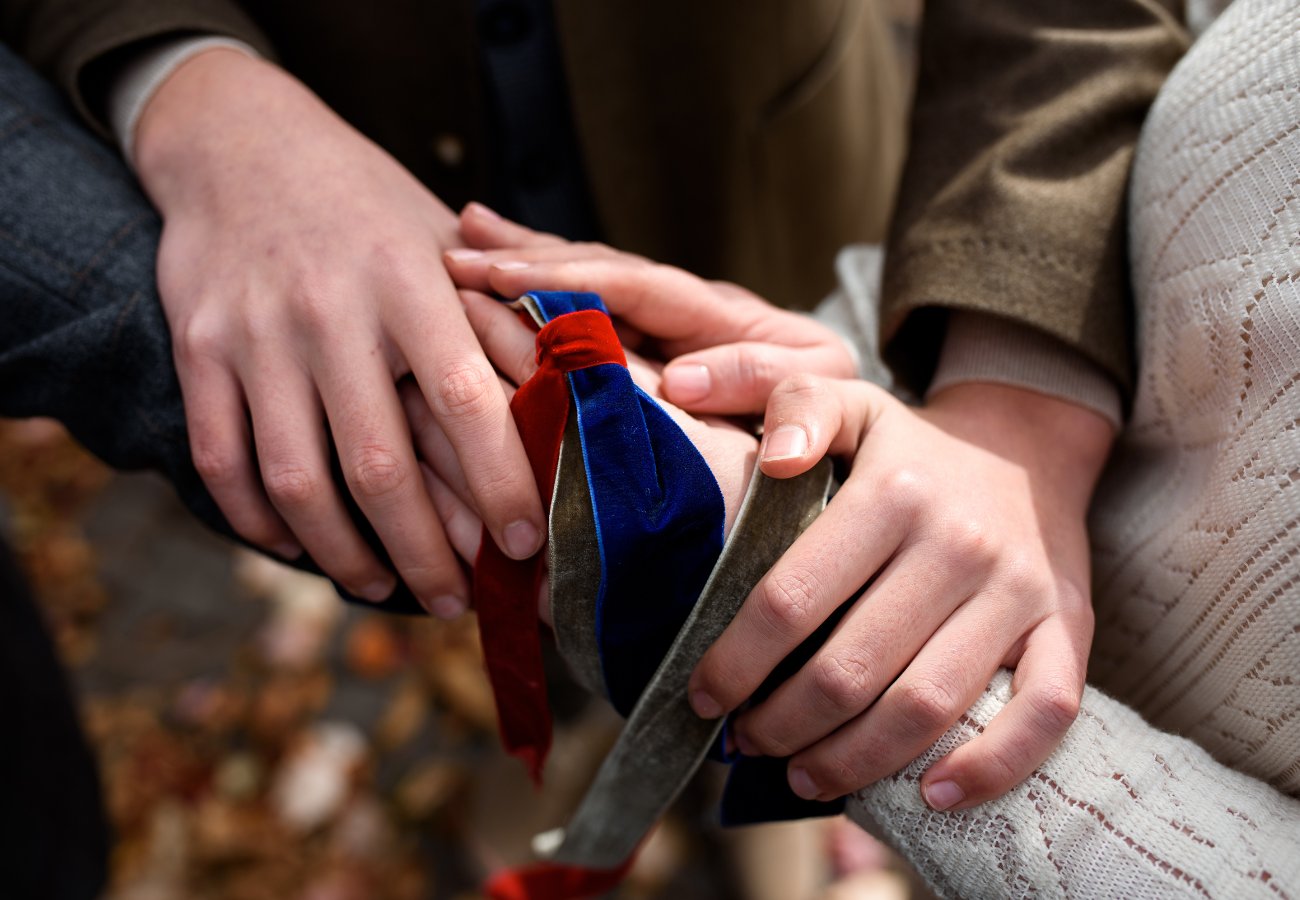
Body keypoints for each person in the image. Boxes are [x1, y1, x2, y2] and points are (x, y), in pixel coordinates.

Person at [444, 0, 1300, 891]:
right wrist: (999, 388)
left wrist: (918, 710)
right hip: (920, 395)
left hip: (1016, 731)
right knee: (622, 612)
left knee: (724, 658)